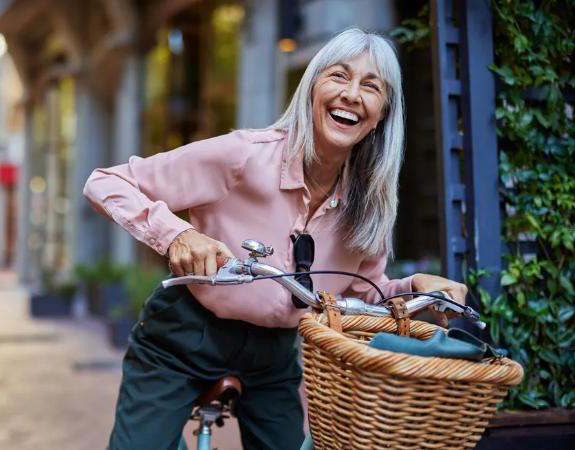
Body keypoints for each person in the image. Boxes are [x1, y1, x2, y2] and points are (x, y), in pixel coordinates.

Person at [83, 28, 468, 450]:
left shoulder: (369, 205)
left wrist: (417, 291)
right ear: (312, 88)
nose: (352, 94)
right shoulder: (244, 155)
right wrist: (178, 234)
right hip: (182, 337)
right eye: (339, 76)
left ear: (382, 113)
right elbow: (106, 182)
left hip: (275, 357)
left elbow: (363, 291)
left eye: (370, 86)